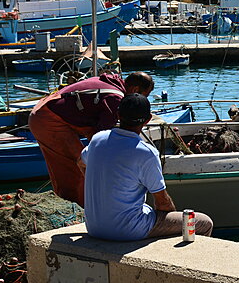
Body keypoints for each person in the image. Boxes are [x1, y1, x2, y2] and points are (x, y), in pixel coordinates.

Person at [79, 93, 213, 241]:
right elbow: (162, 202)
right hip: (126, 231)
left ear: (118, 114)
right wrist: (170, 219)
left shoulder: (98, 139)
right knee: (203, 222)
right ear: (148, 120)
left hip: (94, 227)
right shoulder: (146, 152)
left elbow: (80, 162)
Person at [29, 71, 155, 207]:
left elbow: (95, 131)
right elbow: (103, 140)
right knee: (76, 167)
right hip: (48, 119)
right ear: (135, 90)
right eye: (144, 96)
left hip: (42, 112)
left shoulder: (110, 84)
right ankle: (78, 210)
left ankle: (80, 207)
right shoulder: (115, 98)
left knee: (77, 165)